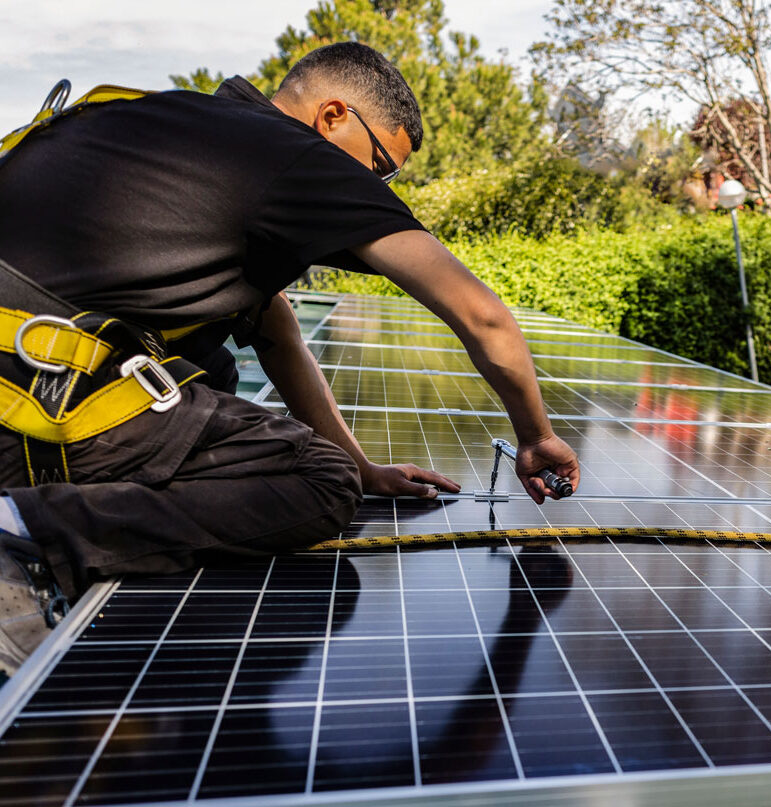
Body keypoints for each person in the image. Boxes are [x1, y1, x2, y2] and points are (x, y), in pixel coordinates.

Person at [0, 42, 580, 677]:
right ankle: (26, 534)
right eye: (381, 164)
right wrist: (537, 436)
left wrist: (366, 468)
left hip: (26, 375)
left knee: (213, 373)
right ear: (334, 116)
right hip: (30, 404)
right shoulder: (294, 157)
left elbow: (275, 328)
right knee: (319, 484)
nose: (376, 185)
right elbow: (482, 315)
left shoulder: (158, 123)